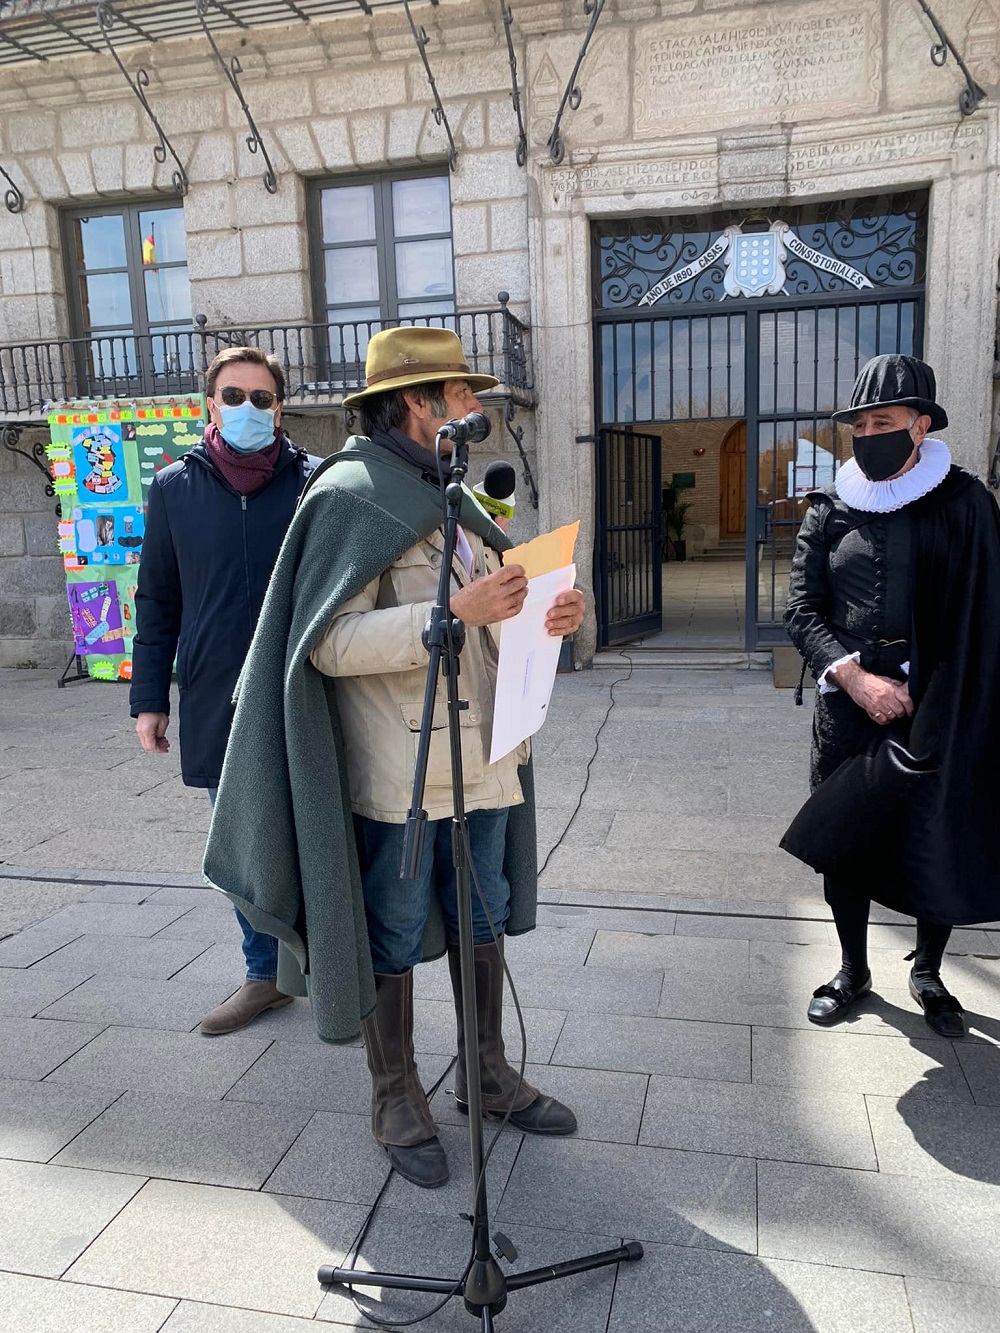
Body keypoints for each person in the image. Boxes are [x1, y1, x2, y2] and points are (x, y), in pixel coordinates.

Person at [203, 327, 585, 1189]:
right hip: (400, 776)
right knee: (394, 928)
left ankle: (486, 1074)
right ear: (418, 402)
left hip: (485, 760)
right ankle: (395, 1095)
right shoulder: (349, 494)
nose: (476, 409)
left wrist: (549, 612)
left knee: (481, 920)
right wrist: (448, 613)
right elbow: (325, 643)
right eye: (461, 395)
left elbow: (496, 611)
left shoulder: (452, 495)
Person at [783, 354, 1000, 1037]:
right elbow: (801, 608)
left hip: (940, 705)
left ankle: (929, 969)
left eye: (885, 420)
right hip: (848, 707)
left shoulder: (966, 505)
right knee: (844, 841)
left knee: (934, 834)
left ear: (921, 425)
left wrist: (929, 690)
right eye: (861, 423)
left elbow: (986, 611)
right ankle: (853, 970)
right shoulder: (830, 506)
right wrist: (854, 677)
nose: (869, 432)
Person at [130, 345, 319, 1035]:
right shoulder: (174, 487)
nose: (247, 408)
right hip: (215, 697)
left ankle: (329, 965)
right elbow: (157, 600)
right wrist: (149, 699)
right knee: (239, 845)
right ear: (209, 403)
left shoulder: (313, 484)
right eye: (233, 395)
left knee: (316, 837)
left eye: (262, 398)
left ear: (281, 407)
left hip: (301, 693)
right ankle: (264, 973)